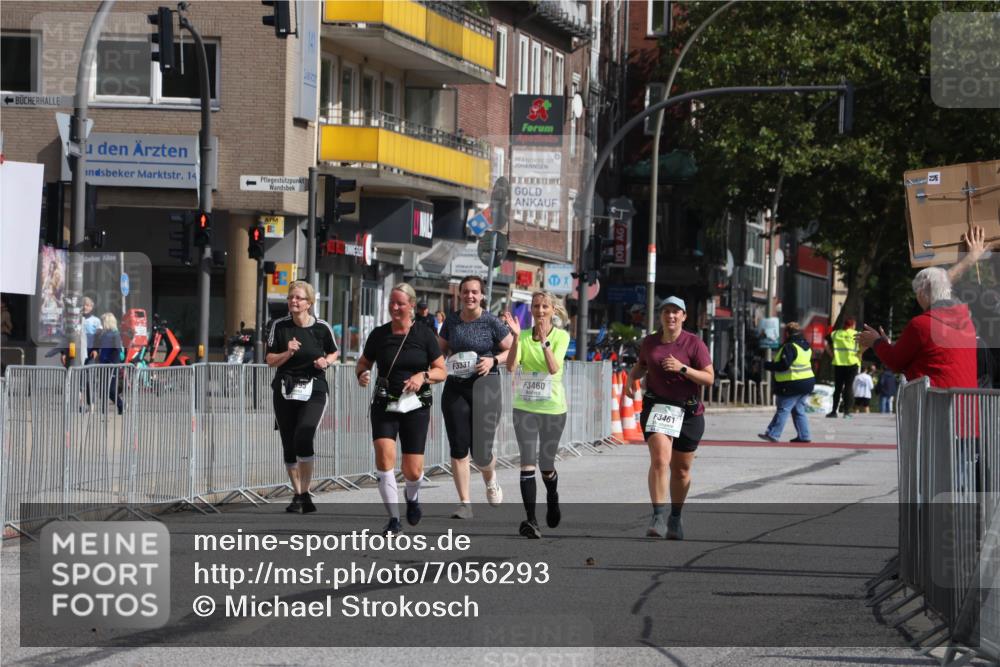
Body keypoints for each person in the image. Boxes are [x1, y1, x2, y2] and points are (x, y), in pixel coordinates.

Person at [355, 283, 446, 536]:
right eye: (392, 303)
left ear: (411, 306)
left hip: (415, 406)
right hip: (385, 402)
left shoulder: (425, 335)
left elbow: (441, 371)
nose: (394, 308)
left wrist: (422, 376)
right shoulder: (379, 335)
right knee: (385, 458)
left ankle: (413, 497)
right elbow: (363, 363)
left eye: (400, 303)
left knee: (413, 469)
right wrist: (361, 374)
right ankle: (394, 520)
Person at [626, 296, 714, 540]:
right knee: (660, 461)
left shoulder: (694, 344)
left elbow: (709, 378)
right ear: (661, 316)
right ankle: (657, 517)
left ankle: (675, 517)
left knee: (682, 470)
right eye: (666, 311)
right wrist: (630, 378)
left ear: (684, 316)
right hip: (658, 407)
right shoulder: (650, 342)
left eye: (676, 312)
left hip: (688, 411)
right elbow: (642, 365)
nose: (671, 316)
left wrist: (682, 368)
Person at [438, 275, 513, 519]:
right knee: (459, 447)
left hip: (486, 387)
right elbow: (439, 350)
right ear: (460, 294)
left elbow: (512, 350)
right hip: (456, 388)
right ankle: (465, 503)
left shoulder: (491, 322)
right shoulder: (451, 322)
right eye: (466, 292)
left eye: (474, 292)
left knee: (481, 452)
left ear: (482, 296)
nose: (470, 296)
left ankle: (490, 480)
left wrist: (494, 359)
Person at [265, 280, 339, 514]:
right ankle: (299, 495)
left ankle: (304, 491)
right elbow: (269, 360)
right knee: (288, 442)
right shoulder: (279, 326)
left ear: (309, 303)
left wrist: (326, 361)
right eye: (290, 297)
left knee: (304, 434)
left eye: (298, 298)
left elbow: (335, 351)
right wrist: (288, 352)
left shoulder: (321, 327)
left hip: (314, 387)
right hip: (285, 388)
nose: (293, 302)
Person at [501, 291, 570, 539]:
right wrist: (517, 338)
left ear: (553, 310)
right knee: (527, 461)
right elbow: (510, 367)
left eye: (544, 307)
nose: (540, 311)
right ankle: (531, 521)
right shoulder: (524, 336)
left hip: (552, 409)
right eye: (536, 306)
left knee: (545, 465)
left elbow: (553, 368)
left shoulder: (561, 337)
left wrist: (544, 343)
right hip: (525, 407)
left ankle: (552, 494)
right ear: (531, 309)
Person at [856, 267, 977, 389]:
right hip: (967, 404)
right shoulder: (968, 324)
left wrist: (876, 342)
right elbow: (933, 355)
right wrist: (890, 346)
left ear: (921, 293)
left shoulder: (921, 324)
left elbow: (895, 362)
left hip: (934, 403)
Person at [758, 321, 815, 443]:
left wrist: (767, 365)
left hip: (793, 383)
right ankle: (804, 436)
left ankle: (773, 434)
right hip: (808, 382)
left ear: (787, 333)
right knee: (799, 409)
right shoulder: (806, 345)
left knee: (783, 409)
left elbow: (784, 365)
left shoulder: (790, 346)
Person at [825, 317, 860, 418]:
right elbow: (865, 345)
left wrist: (832, 355)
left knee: (838, 388)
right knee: (848, 387)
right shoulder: (856, 334)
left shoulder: (835, 334)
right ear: (853, 325)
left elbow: (826, 345)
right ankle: (847, 412)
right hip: (852, 363)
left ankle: (834, 411)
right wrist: (860, 353)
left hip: (839, 363)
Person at [82, 297, 102, 364]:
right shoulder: (76, 320)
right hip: (78, 352)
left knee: (88, 373)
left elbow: (98, 338)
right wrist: (64, 353)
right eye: (83, 305)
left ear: (91, 307)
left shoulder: (96, 320)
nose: (85, 307)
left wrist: (95, 350)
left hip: (90, 353)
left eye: (87, 305)